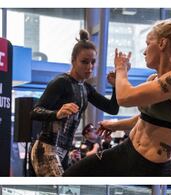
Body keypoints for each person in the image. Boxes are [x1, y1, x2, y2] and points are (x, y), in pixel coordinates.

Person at [64, 19, 171, 176]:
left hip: (150, 166)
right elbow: (145, 118)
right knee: (72, 175)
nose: (145, 51)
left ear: (162, 44)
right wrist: (114, 125)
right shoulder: (154, 79)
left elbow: (124, 98)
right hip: (127, 150)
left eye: (148, 44)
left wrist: (121, 69)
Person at [30, 29, 119, 176]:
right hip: (47, 148)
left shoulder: (86, 88)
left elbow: (112, 108)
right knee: (58, 192)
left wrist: (116, 86)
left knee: (62, 193)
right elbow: (34, 112)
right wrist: (56, 113)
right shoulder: (60, 82)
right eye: (84, 62)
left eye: (93, 62)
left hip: (64, 151)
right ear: (73, 61)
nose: (89, 67)